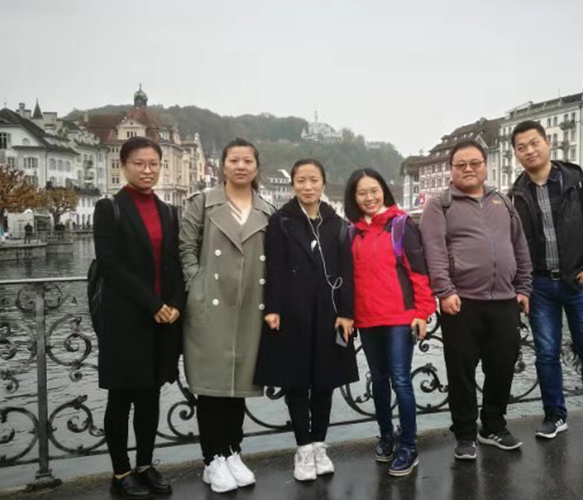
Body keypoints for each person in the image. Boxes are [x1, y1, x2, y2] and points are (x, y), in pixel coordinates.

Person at [508, 120, 583, 441]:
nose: (529, 150)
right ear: (516, 154)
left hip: (578, 283)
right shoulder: (516, 194)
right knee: (546, 353)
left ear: (548, 143)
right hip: (540, 286)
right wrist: (522, 284)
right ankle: (555, 415)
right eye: (521, 147)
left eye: (534, 143)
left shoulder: (577, 182)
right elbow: (514, 243)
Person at [419, 139, 532, 461]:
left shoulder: (502, 201)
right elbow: (434, 251)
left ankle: (493, 425)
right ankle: (465, 432)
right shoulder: (439, 205)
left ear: (485, 166)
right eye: (461, 164)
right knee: (461, 370)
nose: (468, 169)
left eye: (475, 163)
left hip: (505, 299)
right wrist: (445, 291)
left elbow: (519, 246)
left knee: (503, 366)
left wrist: (524, 288)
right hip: (462, 301)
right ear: (452, 169)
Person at [179, 139, 274, 494]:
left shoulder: (267, 210)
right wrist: (197, 283)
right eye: (234, 160)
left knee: (238, 385)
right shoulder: (203, 203)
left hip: (251, 303)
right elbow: (185, 247)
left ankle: (233, 451)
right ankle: (212, 458)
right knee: (212, 385)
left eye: (247, 160)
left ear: (256, 167)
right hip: (211, 302)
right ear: (223, 165)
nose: (241, 166)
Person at [93, 136, 186, 498]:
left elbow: (175, 262)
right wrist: (153, 303)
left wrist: (175, 302)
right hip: (125, 318)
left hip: (161, 319)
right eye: (139, 164)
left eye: (153, 164)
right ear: (124, 166)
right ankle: (121, 472)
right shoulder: (109, 208)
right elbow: (109, 264)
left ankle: (145, 465)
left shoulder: (168, 211)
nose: (147, 170)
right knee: (120, 398)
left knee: (150, 396)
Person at [254, 159, 358, 482]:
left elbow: (347, 271)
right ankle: (302, 448)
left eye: (314, 180)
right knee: (296, 382)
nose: (308, 186)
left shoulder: (336, 223)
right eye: (301, 180)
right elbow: (274, 267)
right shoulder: (281, 221)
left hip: (329, 313)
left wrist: (347, 313)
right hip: (293, 312)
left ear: (323, 183)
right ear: (293, 185)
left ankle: (319, 446)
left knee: (324, 382)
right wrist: (272, 308)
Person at [344, 168, 435, 477]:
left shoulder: (401, 225)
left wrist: (422, 312)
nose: (369, 197)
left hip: (399, 318)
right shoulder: (353, 232)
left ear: (383, 190)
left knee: (400, 380)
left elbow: (419, 272)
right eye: (362, 193)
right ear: (354, 197)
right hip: (367, 318)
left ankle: (409, 445)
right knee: (379, 380)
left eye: (374, 190)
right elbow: (349, 279)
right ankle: (386, 435)